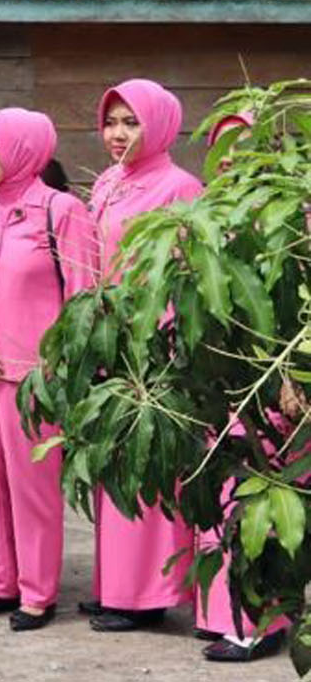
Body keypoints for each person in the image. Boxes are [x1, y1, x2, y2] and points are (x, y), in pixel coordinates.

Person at [0, 108, 96, 632]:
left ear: (24, 150)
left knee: (32, 487)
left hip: (34, 378)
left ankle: (37, 592)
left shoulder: (62, 211)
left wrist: (62, 369)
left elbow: (83, 297)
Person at [82, 80, 204, 635]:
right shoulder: (108, 182)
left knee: (147, 467)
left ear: (158, 125)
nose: (117, 134)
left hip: (152, 348)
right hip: (108, 342)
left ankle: (146, 595)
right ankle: (116, 586)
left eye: (131, 122)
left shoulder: (181, 187)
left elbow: (189, 275)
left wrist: (164, 341)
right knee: (112, 466)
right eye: (111, 122)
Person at [192, 112, 289, 663]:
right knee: (219, 496)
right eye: (219, 148)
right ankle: (222, 615)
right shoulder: (209, 215)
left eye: (241, 146)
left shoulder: (289, 215)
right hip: (217, 383)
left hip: (270, 387)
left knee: (256, 501)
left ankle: (259, 623)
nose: (229, 159)